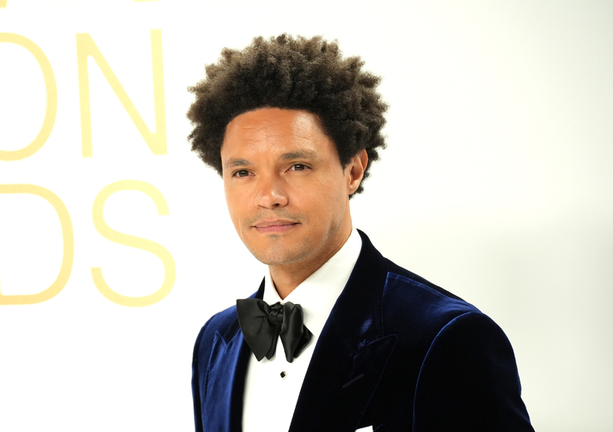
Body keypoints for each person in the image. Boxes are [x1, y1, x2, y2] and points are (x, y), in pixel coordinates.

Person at [188, 34, 534, 432]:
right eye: (243, 172)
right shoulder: (215, 341)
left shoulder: (448, 338)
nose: (269, 196)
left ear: (353, 170)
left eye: (297, 166)